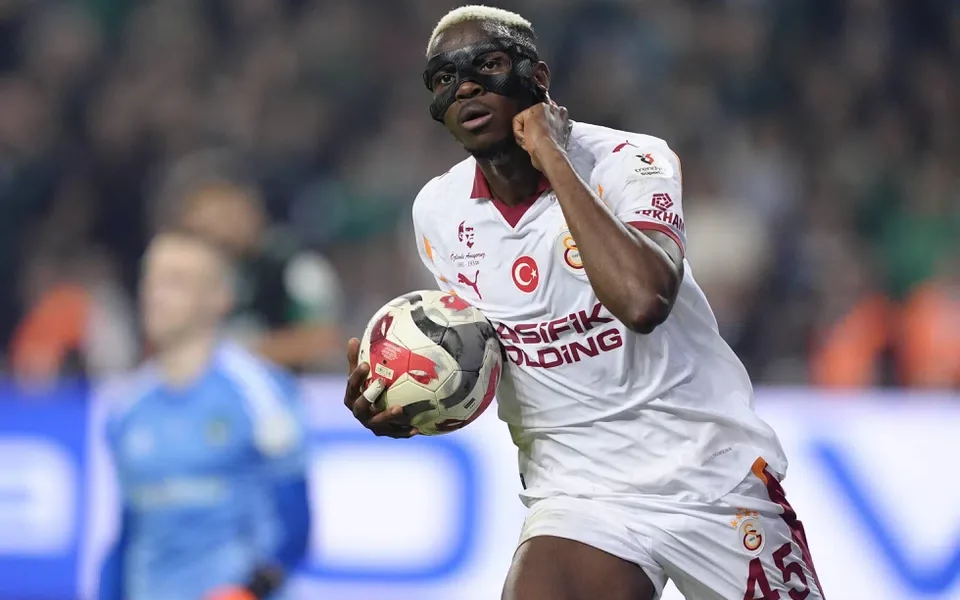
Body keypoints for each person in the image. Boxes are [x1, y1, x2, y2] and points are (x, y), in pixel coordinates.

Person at [343, 6, 826, 600]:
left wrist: (554, 159)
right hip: (579, 493)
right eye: (444, 78)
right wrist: (406, 399)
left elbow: (643, 300)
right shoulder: (437, 214)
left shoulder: (632, 161)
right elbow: (486, 350)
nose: (465, 85)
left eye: (487, 65)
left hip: (710, 474)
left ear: (537, 77)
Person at [99, 230, 311, 600]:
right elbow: (127, 533)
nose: (155, 294)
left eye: (175, 281)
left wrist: (248, 591)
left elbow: (296, 523)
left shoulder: (260, 393)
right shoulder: (127, 408)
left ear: (219, 298)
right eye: (149, 279)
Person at [177, 178, 343, 372]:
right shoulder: (190, 279)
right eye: (202, 227)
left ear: (252, 213)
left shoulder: (297, 267)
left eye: (226, 216)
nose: (217, 231)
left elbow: (323, 339)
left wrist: (241, 356)